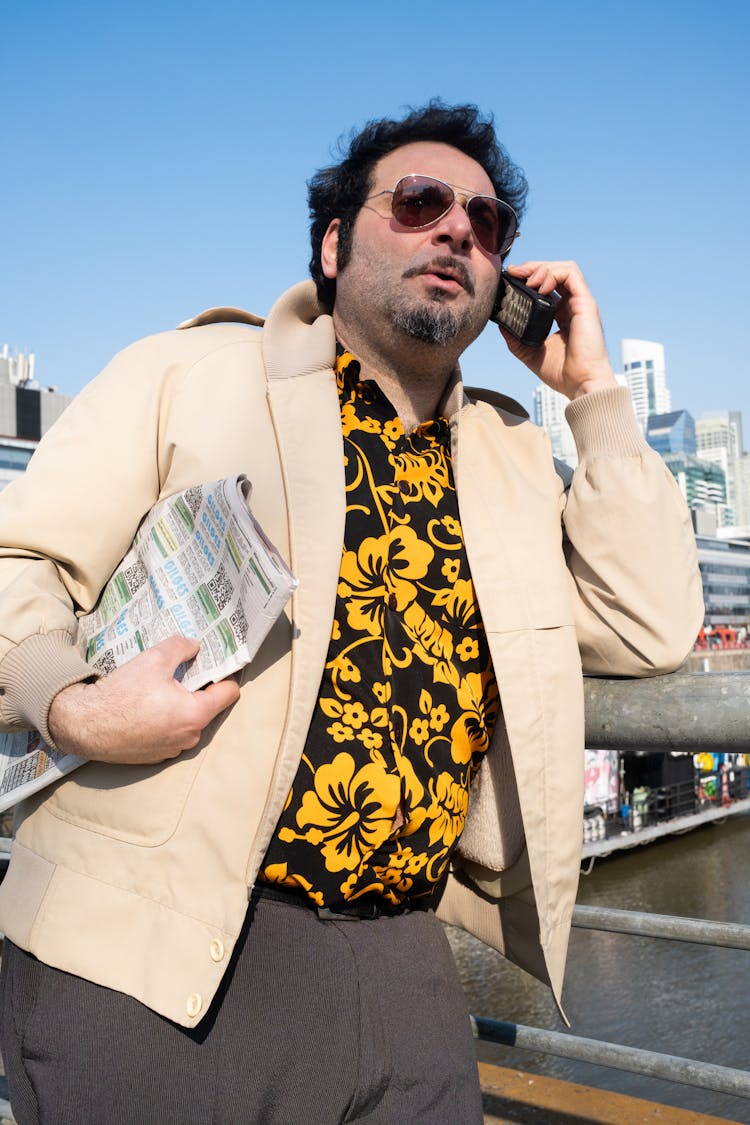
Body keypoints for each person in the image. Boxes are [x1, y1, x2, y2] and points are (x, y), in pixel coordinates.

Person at [0, 102, 703, 1124]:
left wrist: (591, 392)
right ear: (333, 245)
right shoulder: (186, 374)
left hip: (408, 964)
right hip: (149, 957)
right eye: (419, 202)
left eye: (488, 221)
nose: (458, 230)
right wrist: (71, 706)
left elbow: (647, 626)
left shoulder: (512, 456)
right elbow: (17, 560)